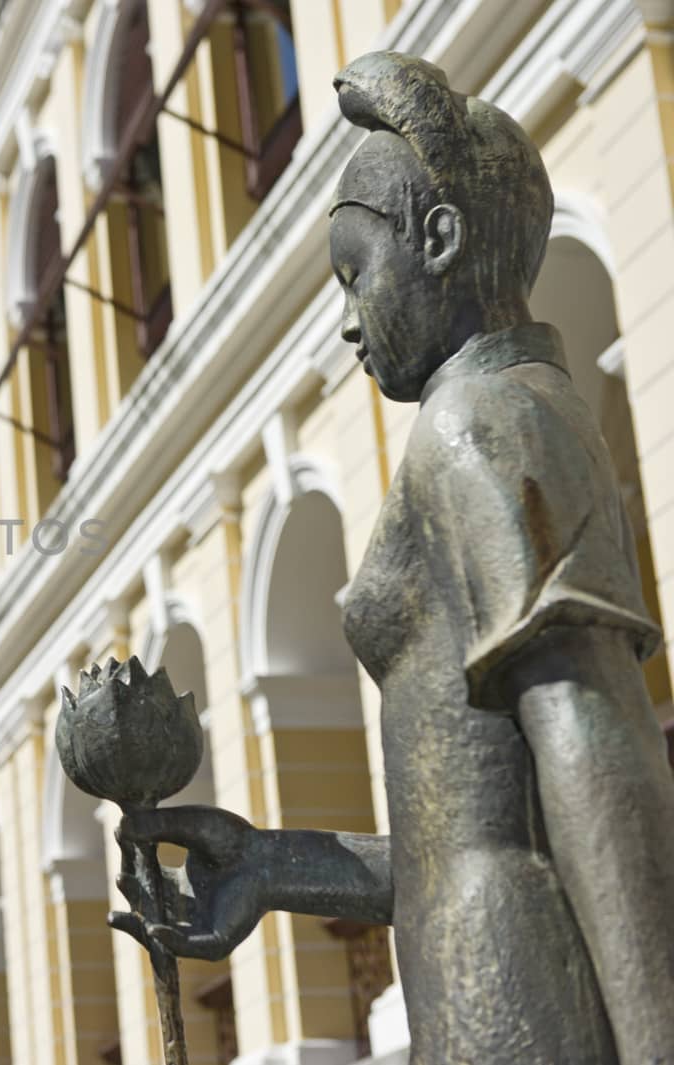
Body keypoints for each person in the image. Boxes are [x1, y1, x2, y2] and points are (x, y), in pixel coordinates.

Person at [113, 51, 674, 1063]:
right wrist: (275, 866)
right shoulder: (499, 415)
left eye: (355, 275)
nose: (343, 320)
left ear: (442, 240)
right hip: (475, 963)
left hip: (509, 979)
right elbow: (471, 828)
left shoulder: (478, 422)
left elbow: (594, 738)